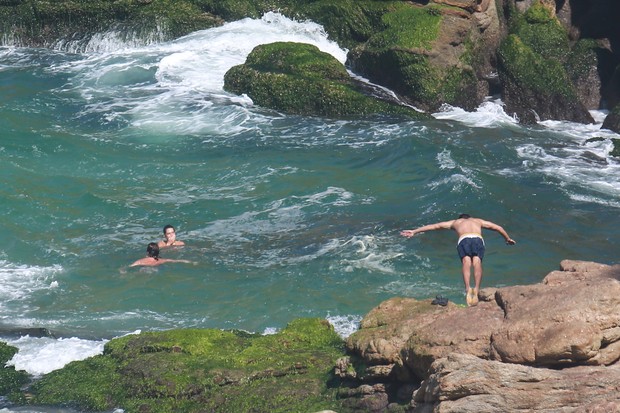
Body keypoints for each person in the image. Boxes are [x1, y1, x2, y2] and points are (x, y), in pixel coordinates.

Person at [400, 214, 515, 306]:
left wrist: (414, 231)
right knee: (477, 262)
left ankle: (467, 288)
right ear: (470, 217)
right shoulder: (478, 221)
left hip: (464, 239)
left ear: (460, 218)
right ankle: (477, 288)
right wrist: (507, 238)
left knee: (466, 261)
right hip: (477, 238)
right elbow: (498, 228)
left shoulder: (455, 222)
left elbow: (434, 226)